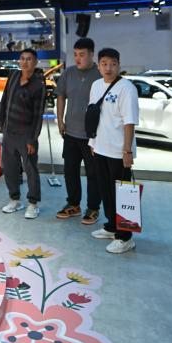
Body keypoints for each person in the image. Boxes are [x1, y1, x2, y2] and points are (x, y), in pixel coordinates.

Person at [88, 48, 140, 254]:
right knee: (105, 191)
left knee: (122, 194)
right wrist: (93, 142)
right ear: (98, 65)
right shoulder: (96, 85)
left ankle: (125, 238)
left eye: (113, 64)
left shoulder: (127, 88)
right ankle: (111, 226)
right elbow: (93, 115)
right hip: (100, 148)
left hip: (119, 151)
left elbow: (129, 122)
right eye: (104, 64)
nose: (108, 68)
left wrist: (127, 151)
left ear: (119, 65)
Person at [54, 38, 102, 225]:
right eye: (75, 55)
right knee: (70, 171)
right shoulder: (68, 73)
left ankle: (93, 208)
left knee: (93, 173)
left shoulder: (100, 74)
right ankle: (73, 204)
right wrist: (60, 120)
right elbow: (60, 96)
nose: (77, 58)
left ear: (91, 54)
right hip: (71, 133)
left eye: (82, 54)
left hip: (92, 136)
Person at [0, 48, 47, 219]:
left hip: (26, 135)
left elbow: (38, 115)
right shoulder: (13, 76)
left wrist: (33, 139)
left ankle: (33, 204)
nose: (25, 62)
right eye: (22, 58)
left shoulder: (38, 85)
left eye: (29, 59)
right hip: (9, 132)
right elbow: (4, 99)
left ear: (35, 63)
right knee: (10, 168)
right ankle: (14, 200)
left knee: (31, 170)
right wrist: (1, 122)